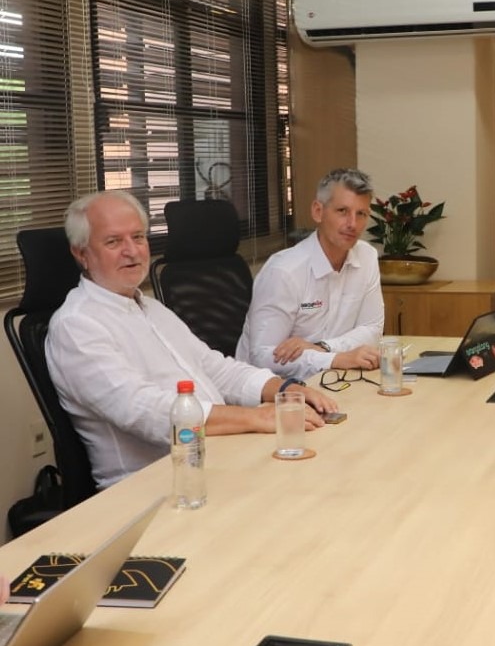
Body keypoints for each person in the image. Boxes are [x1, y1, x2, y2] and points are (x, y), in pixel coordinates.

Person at [45, 191, 337, 490]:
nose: (132, 251)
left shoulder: (150, 308)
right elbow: (145, 412)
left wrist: (286, 390)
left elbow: (215, 368)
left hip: (218, 459)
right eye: (113, 241)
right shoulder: (77, 326)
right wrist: (254, 418)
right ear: (81, 253)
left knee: (330, 473)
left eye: (138, 237)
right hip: (154, 486)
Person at [236, 168, 385, 380]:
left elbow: (372, 329)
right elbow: (262, 356)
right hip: (271, 395)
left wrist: (322, 348)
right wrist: (335, 359)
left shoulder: (367, 257)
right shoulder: (284, 272)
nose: (352, 224)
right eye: (342, 211)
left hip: (333, 381)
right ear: (318, 211)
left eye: (361, 214)